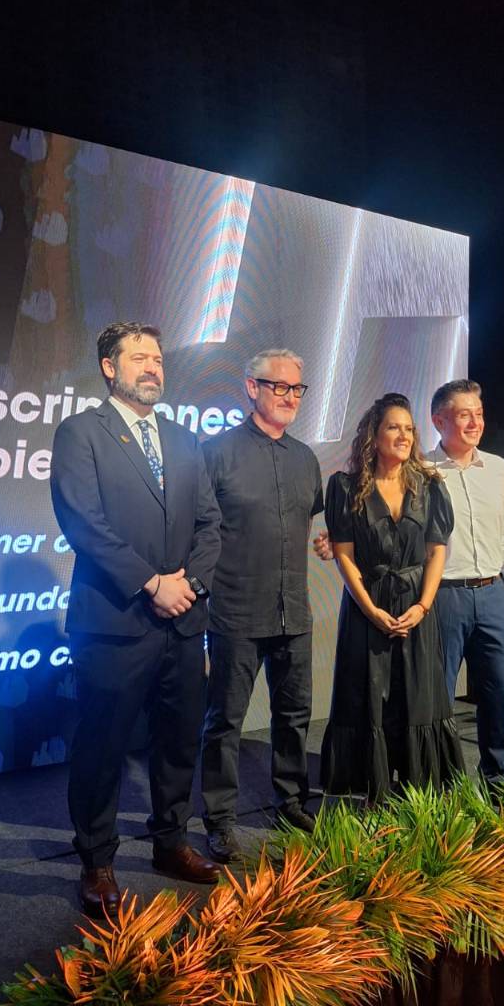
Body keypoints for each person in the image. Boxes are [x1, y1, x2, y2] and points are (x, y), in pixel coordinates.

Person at [50, 322, 222, 915]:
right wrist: (153, 583)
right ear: (109, 366)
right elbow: (83, 523)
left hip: (183, 620)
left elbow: (210, 524)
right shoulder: (81, 433)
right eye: (140, 357)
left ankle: (170, 843)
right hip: (114, 622)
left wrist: (188, 586)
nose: (153, 367)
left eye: (158, 359)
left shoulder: (184, 439)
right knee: (103, 746)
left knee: (178, 740)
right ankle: (97, 862)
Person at [200, 349, 324, 861]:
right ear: (252, 388)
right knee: (225, 722)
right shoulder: (216, 453)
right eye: (280, 386)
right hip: (235, 611)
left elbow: (308, 523)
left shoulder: (305, 458)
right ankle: (219, 820)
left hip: (293, 610)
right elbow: (200, 531)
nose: (290, 396)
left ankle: (291, 802)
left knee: (293, 716)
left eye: (297, 388)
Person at [320, 393, 464, 801]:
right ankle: (374, 787)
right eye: (393, 427)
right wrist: (370, 610)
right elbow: (344, 556)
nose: (403, 435)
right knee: (368, 694)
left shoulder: (430, 487)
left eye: (409, 429)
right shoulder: (345, 487)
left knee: (416, 695)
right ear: (374, 434)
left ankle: (416, 789)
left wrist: (423, 606)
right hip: (367, 607)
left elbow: (436, 552)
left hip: (418, 607)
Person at [425, 378, 504, 789]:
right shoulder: (422, 471)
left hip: (492, 595)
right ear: (439, 420)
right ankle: (438, 783)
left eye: (479, 414)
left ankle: (496, 778)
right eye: (464, 415)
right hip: (443, 597)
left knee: (498, 690)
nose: (475, 423)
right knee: (438, 696)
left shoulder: (497, 467)